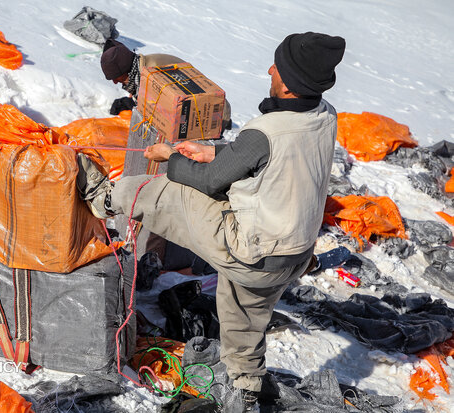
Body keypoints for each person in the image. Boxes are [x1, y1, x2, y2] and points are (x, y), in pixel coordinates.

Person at [80, 32, 345, 411]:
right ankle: (246, 386)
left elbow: (207, 181)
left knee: (171, 190)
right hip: (291, 256)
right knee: (243, 309)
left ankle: (104, 199)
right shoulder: (324, 116)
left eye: (277, 67)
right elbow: (267, 158)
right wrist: (213, 152)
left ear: (287, 84)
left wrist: (171, 155)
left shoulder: (264, 132)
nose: (270, 69)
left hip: (251, 252)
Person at [100, 39, 232, 130]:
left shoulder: (154, 76)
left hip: (213, 117)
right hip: (201, 113)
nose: (115, 82)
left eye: (116, 77)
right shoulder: (143, 66)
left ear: (125, 69)